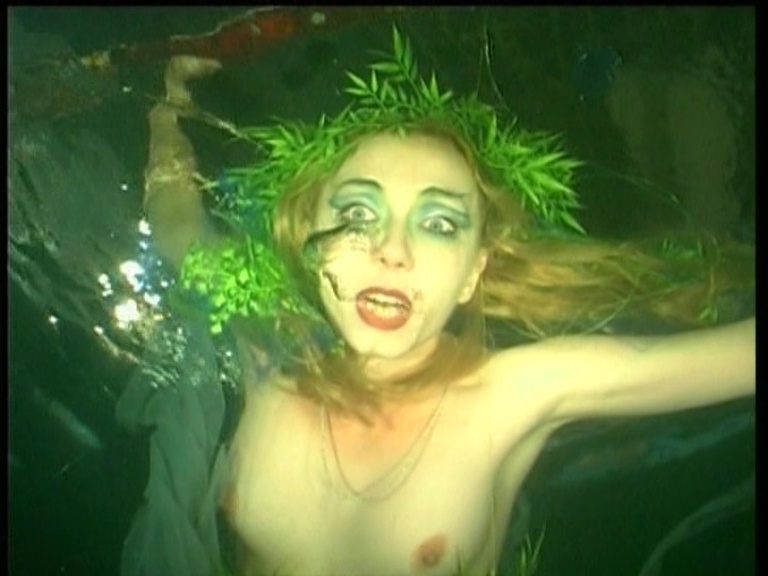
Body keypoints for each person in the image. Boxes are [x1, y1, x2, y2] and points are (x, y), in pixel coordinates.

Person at [141, 28, 754, 576]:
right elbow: (177, 227)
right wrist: (166, 107)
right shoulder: (269, 351)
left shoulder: (513, 393)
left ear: (472, 273)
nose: (392, 251)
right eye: (358, 213)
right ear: (310, 240)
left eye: (437, 224)